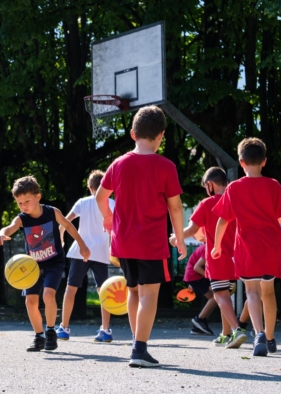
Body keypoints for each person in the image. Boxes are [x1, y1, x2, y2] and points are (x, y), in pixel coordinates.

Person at [95, 105, 186, 368]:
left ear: (133, 134)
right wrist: (179, 238)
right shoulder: (165, 166)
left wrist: (107, 217)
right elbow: (176, 207)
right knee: (148, 296)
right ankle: (139, 349)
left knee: (133, 292)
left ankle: (137, 342)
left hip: (122, 242)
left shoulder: (118, 163)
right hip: (150, 243)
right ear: (161, 135)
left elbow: (101, 197)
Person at [212, 137, 281, 357]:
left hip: (247, 247)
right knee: (268, 292)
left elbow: (223, 220)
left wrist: (217, 245)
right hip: (272, 246)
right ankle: (270, 337)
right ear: (264, 161)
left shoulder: (234, 188)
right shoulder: (274, 185)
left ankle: (258, 334)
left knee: (252, 291)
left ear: (241, 162)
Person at [0, 176, 90, 352]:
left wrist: (82, 246)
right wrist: (1, 233)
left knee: (48, 295)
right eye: (19, 203)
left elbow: (68, 226)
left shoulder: (52, 212)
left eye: (27, 201)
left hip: (53, 262)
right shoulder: (22, 218)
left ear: (38, 196)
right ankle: (39, 336)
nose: (23, 206)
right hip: (32, 267)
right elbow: (10, 227)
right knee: (30, 302)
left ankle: (51, 331)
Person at [170, 167, 247, 349]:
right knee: (226, 295)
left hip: (217, 257)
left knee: (220, 296)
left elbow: (192, 230)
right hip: (237, 257)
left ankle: (237, 330)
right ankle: (225, 333)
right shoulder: (236, 202)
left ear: (210, 185)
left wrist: (176, 238)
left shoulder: (206, 204)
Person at [55, 170, 116, 342]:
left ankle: (64, 328)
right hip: (102, 251)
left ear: (90, 187)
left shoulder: (83, 202)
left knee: (70, 288)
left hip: (80, 250)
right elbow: (117, 227)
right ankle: (106, 330)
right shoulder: (112, 203)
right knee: (103, 291)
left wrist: (60, 237)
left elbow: (65, 222)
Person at [180, 243, 218, 336]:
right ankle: (199, 319)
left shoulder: (206, 246)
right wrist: (210, 277)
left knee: (216, 297)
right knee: (215, 297)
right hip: (195, 276)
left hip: (193, 276)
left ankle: (198, 327)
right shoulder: (209, 247)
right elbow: (196, 267)